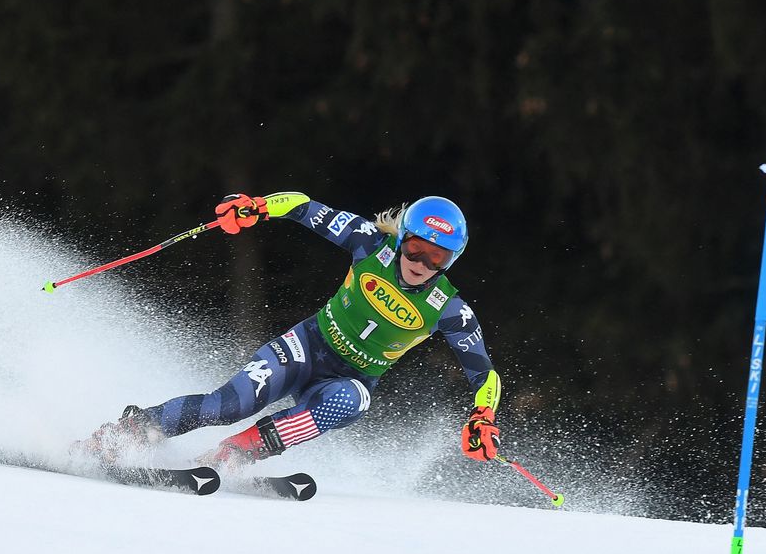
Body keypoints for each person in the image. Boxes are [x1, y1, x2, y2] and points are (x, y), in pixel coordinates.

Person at [78, 191, 502, 468]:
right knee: (228, 405)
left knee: (351, 401)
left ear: (451, 261)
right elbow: (301, 205)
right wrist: (256, 207)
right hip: (306, 347)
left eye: (436, 259)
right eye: (415, 249)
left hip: (351, 378)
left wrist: (484, 416)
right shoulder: (369, 243)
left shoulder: (449, 309)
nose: (421, 264)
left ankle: (236, 452)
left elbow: (485, 374)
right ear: (403, 238)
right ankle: (127, 432)